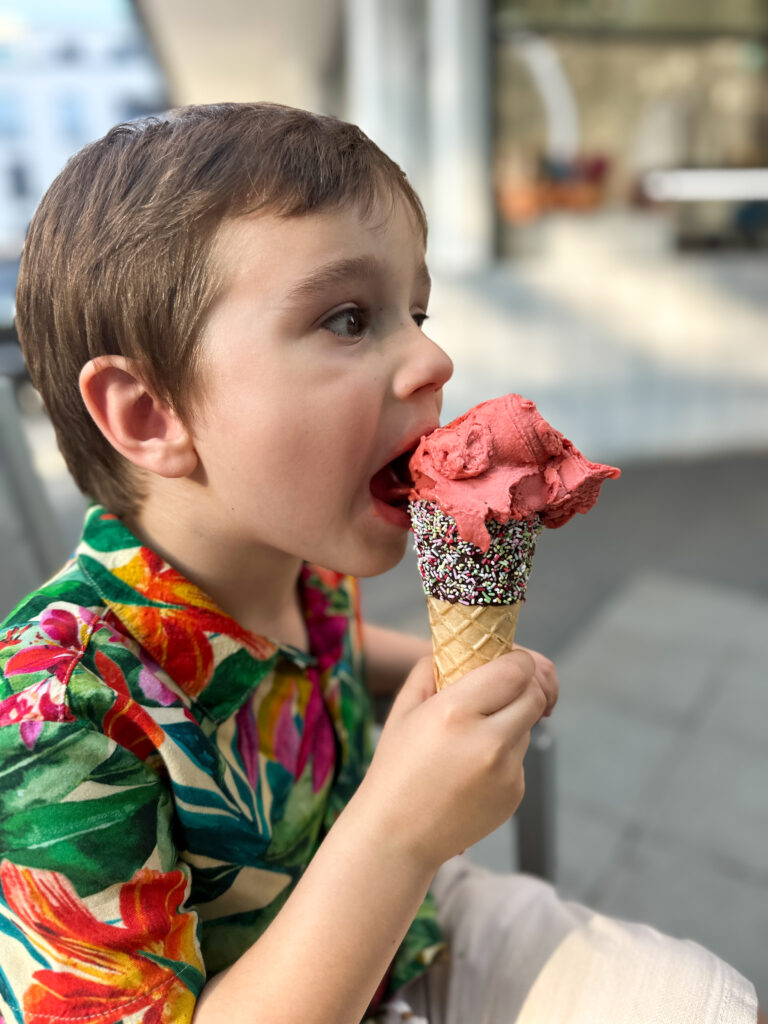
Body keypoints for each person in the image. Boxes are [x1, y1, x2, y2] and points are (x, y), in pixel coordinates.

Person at [0, 103, 759, 1024]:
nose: (434, 357)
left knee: (710, 1004)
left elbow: (304, 662)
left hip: (406, 931)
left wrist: (446, 681)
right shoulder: (49, 716)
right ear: (152, 415)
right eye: (349, 317)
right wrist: (400, 831)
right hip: (302, 953)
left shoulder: (294, 555)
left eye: (419, 311)